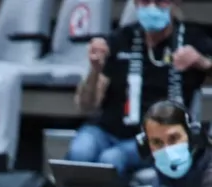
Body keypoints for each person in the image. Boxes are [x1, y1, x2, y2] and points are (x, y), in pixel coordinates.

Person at [69, 0, 212, 177]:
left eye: (159, 2)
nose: (151, 8)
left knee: (112, 158)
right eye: (144, 1)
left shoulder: (191, 38)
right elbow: (86, 106)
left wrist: (202, 62)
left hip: (157, 138)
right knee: (80, 150)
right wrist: (94, 70)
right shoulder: (120, 39)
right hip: (108, 130)